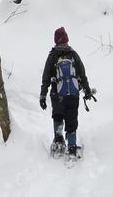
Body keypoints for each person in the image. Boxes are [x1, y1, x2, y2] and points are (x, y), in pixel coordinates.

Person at [39, 27, 93, 158]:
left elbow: (46, 77)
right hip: (73, 94)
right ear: (67, 39)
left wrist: (43, 95)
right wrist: (87, 90)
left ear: (55, 41)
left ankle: (58, 142)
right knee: (71, 118)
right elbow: (82, 73)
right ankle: (72, 147)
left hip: (57, 95)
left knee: (58, 116)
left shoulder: (52, 56)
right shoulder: (73, 54)